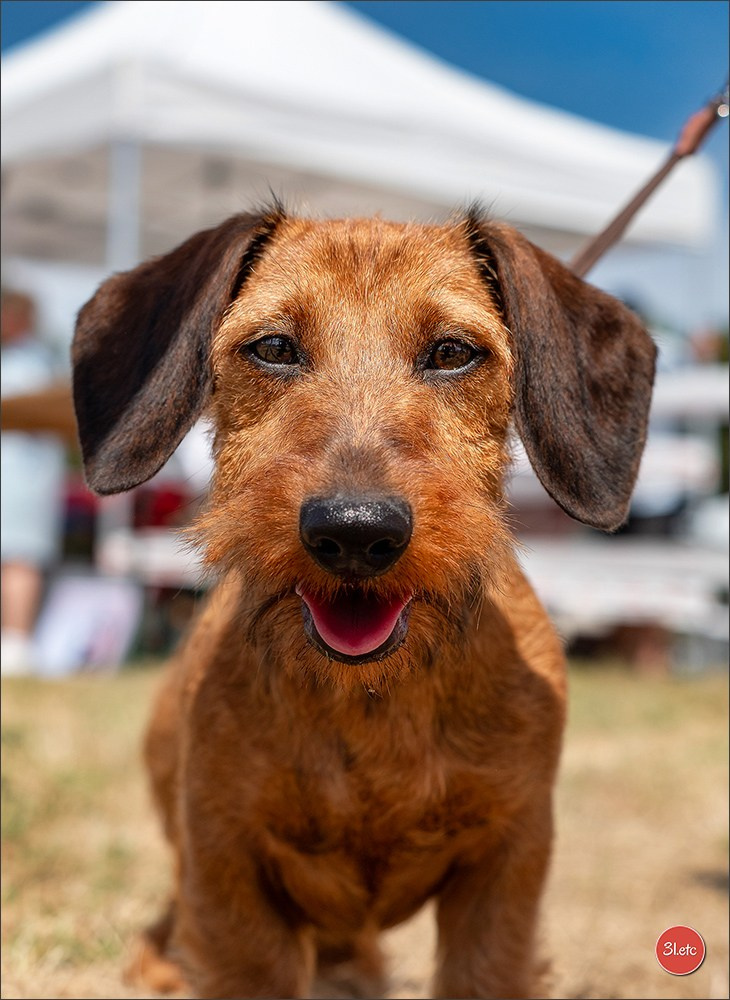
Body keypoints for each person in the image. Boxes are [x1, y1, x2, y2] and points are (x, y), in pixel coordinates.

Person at [1, 288, 66, 675]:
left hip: (23, 482)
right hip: (16, 480)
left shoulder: (33, 365)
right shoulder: (29, 363)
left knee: (20, 563)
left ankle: (16, 643)